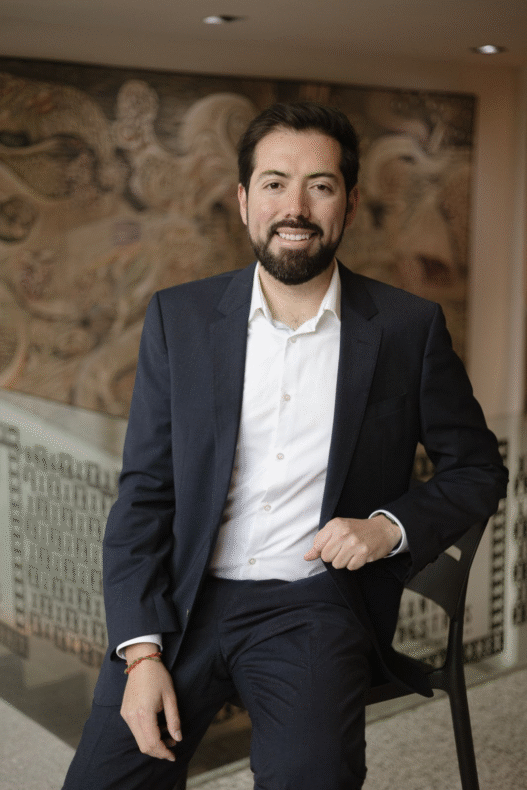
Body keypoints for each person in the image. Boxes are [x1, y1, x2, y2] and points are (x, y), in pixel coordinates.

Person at [62, 102, 508, 790]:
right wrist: (142, 654)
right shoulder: (179, 319)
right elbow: (145, 492)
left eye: (319, 186)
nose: (294, 208)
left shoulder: (405, 328)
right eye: (274, 184)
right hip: (183, 604)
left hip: (313, 606)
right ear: (244, 200)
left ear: (349, 204)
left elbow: (477, 469)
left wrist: (387, 528)